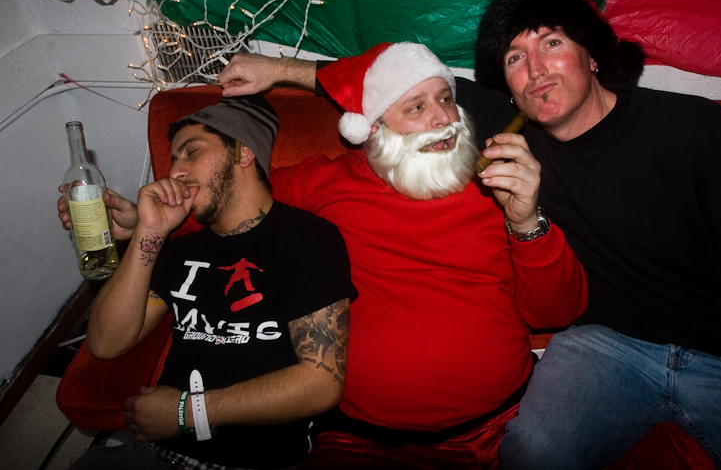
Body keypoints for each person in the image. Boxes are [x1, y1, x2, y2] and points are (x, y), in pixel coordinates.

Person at [65, 42, 588, 468]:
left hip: (500, 427)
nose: (444, 119)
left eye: (447, 99)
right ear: (373, 128)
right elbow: (229, 203)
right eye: (417, 106)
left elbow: (556, 314)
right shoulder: (322, 184)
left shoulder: (497, 185)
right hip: (362, 440)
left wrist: (527, 222)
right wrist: (135, 226)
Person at [472, 0, 721, 470]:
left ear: (593, 56)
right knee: (531, 451)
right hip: (608, 346)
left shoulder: (700, 133)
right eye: (515, 58)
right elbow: (415, 85)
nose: (535, 70)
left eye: (551, 43)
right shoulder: (517, 145)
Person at [62, 94, 357, 470]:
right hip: (153, 450)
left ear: (243, 152)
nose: (176, 172)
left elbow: (321, 383)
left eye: (192, 152)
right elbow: (106, 343)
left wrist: (188, 412)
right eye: (174, 159)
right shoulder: (178, 248)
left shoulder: (306, 239)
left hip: (253, 461)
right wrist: (148, 233)